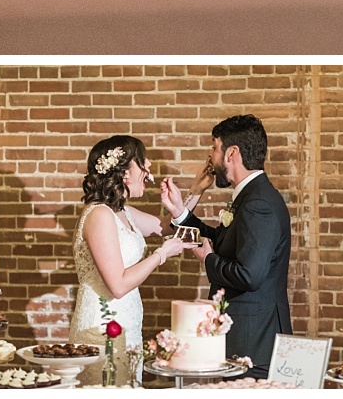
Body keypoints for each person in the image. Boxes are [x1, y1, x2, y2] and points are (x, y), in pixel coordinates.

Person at [161, 112, 291, 377]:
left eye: (214, 147)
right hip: (249, 341)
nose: (211, 156)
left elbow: (249, 275)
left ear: (231, 153)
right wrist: (181, 214)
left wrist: (208, 260)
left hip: (254, 345)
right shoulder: (251, 196)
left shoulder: (258, 204)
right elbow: (220, 241)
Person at [69, 135, 186, 378]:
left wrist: (196, 190)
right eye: (142, 161)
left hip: (129, 325)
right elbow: (118, 286)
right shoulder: (99, 215)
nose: (149, 166)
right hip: (102, 327)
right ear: (123, 173)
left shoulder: (123, 212)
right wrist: (161, 254)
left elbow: (166, 226)